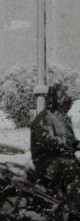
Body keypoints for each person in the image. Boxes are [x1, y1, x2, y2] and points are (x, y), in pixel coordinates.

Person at [30, 83, 80, 213]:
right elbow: (47, 140)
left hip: (63, 158)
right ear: (58, 101)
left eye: (70, 103)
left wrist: (75, 144)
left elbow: (70, 139)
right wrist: (67, 144)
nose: (69, 106)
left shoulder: (64, 118)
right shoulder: (44, 118)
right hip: (47, 161)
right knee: (74, 176)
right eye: (67, 103)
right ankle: (72, 208)